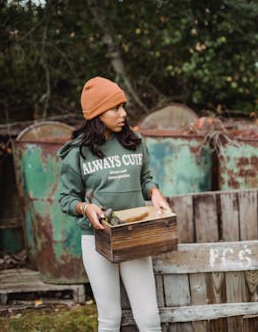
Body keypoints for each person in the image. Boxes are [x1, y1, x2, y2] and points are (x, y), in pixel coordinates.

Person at [58, 76, 171, 332]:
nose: (123, 113)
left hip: (134, 235)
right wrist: (86, 208)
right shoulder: (77, 152)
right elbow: (66, 199)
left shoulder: (134, 142)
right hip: (97, 238)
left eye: (123, 106)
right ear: (98, 114)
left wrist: (154, 192)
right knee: (110, 318)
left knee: (150, 317)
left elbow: (146, 179)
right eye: (115, 108)